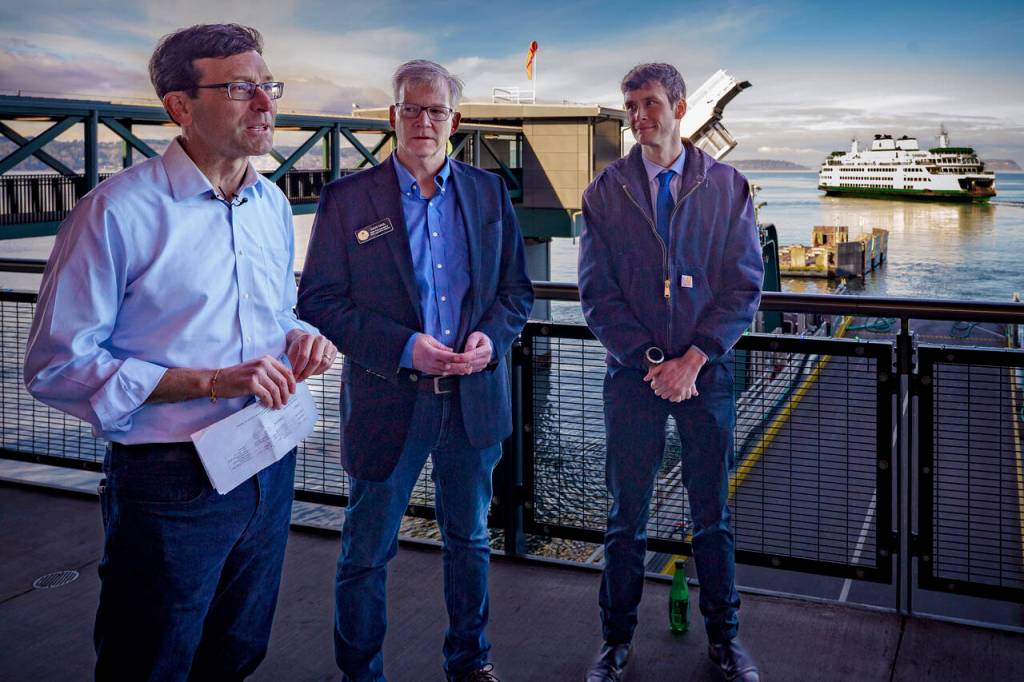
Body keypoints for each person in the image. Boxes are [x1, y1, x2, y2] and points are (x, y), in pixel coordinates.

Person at [23, 23, 336, 680]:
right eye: (240, 88)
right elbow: (57, 367)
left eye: (268, 86)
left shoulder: (271, 205)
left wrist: (297, 335)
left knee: (237, 652)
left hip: (268, 459)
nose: (266, 104)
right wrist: (208, 382)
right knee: (152, 661)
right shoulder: (115, 212)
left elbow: (272, 313)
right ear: (180, 106)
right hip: (171, 480)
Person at [296, 60, 533, 682]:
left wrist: (492, 338)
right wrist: (405, 347)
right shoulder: (349, 200)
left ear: (454, 121)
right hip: (387, 399)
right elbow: (318, 300)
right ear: (394, 116)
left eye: (436, 111)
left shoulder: (487, 193)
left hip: (472, 399)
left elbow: (515, 293)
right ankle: (360, 672)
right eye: (411, 108)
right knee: (367, 551)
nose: (424, 121)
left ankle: (469, 662)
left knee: (471, 542)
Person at [578, 63, 764, 682]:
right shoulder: (605, 191)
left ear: (681, 109)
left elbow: (743, 287)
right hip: (635, 379)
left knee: (713, 516)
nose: (638, 117)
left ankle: (726, 641)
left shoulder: (727, 186)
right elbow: (596, 295)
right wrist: (655, 363)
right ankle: (614, 642)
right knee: (626, 517)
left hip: (704, 376)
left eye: (650, 104)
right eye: (630, 105)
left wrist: (694, 359)